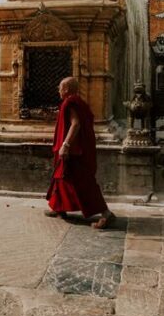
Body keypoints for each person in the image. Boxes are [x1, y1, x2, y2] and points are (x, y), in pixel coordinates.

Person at [46, 77, 115, 229]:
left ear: (66, 89)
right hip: (79, 149)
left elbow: (76, 124)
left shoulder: (70, 103)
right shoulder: (80, 103)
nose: (58, 91)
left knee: (81, 182)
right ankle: (59, 208)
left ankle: (106, 213)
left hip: (74, 150)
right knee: (61, 177)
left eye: (60, 88)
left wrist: (65, 144)